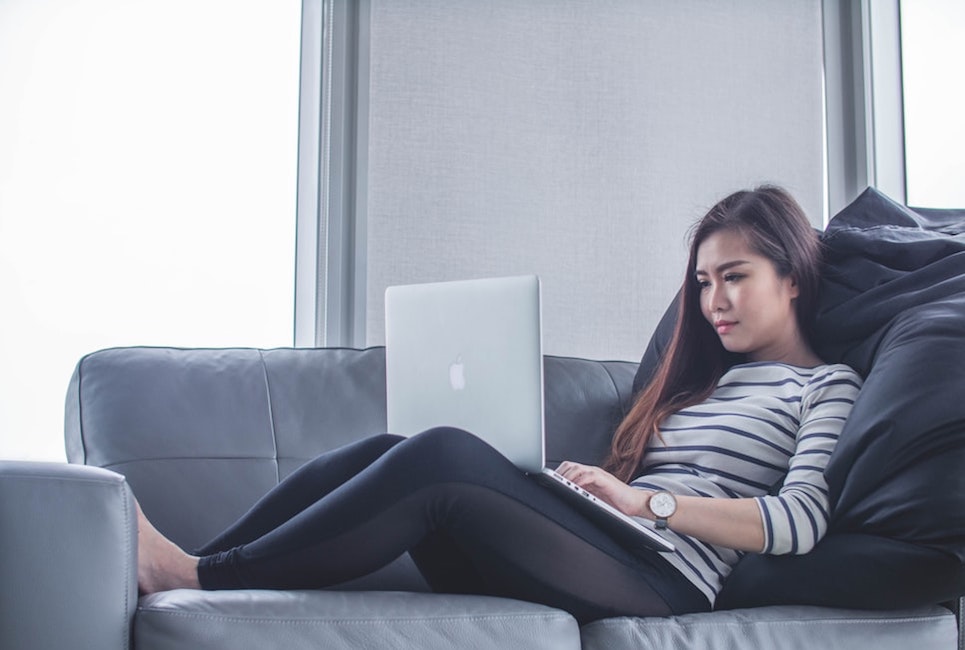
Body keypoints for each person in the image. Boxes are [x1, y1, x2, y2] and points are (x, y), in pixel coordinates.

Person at [137, 185, 862, 623]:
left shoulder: (825, 386)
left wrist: (648, 505)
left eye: (732, 277)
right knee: (396, 449)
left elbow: (798, 523)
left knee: (443, 455)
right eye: (701, 283)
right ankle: (201, 565)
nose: (712, 302)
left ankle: (196, 577)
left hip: (667, 581)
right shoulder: (700, 382)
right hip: (604, 548)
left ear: (792, 277)